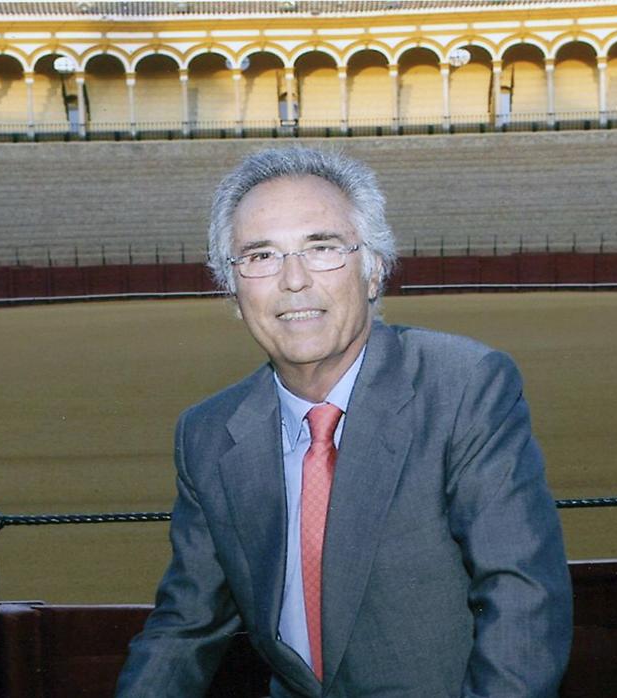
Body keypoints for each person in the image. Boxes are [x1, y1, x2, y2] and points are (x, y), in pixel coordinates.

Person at [116, 146, 572, 697]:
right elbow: (184, 627)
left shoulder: (464, 387)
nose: (293, 280)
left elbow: (524, 602)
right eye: (260, 256)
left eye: (322, 247)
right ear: (234, 291)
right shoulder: (208, 434)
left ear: (374, 268)